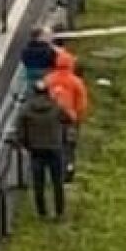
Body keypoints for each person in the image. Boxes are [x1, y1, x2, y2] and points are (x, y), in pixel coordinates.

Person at [18, 78, 71, 219]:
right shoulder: (56, 107)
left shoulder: (26, 110)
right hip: (55, 147)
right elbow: (69, 119)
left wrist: (27, 146)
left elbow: (21, 133)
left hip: (36, 149)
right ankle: (59, 212)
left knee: (38, 183)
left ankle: (42, 213)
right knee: (57, 182)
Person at [43, 47, 90, 181]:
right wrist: (79, 118)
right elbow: (81, 102)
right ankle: (68, 168)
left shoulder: (48, 79)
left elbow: (41, 97)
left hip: (51, 119)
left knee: (54, 145)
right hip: (70, 118)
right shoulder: (76, 81)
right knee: (69, 146)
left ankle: (54, 170)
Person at [20, 25, 61, 91]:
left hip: (30, 77)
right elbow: (56, 62)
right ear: (40, 37)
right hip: (47, 75)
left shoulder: (25, 50)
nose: (51, 37)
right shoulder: (48, 50)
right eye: (47, 35)